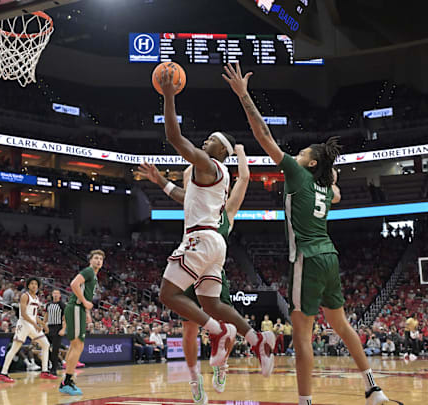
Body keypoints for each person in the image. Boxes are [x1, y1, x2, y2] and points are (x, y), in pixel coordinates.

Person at [223, 61, 390, 405]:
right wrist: (330, 174)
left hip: (307, 258)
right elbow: (336, 190)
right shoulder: (326, 189)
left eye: (301, 154)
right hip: (330, 256)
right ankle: (373, 388)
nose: (295, 155)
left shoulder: (298, 176)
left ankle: (305, 402)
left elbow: (263, 136)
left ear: (311, 164)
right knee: (342, 327)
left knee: (302, 336)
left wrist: (243, 95)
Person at [156, 69, 275, 388]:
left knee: (167, 293)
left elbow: (174, 138)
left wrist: (169, 97)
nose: (204, 141)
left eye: (209, 141)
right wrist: (161, 183)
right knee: (211, 303)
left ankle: (220, 331)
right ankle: (256, 338)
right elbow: (187, 198)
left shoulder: (206, 164)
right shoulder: (216, 174)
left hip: (199, 239)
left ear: (220, 150)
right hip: (214, 244)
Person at [137, 140, 252, 403]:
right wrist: (160, 180)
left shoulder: (228, 210)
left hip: (212, 265)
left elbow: (243, 179)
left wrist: (240, 151)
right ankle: (193, 377)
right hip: (192, 255)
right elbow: (182, 193)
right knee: (189, 329)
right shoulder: (196, 203)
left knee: (226, 324)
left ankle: (221, 364)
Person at [60, 250, 104, 396]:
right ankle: (66, 381)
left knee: (75, 345)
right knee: (78, 345)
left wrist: (87, 314)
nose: (98, 261)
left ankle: (67, 379)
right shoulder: (89, 271)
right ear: (90, 260)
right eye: (96, 258)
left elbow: (85, 296)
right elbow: (74, 284)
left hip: (79, 309)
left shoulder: (94, 276)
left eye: (101, 259)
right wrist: (84, 302)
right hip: (76, 308)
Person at [0, 277, 55, 383]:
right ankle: (3, 373)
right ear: (28, 286)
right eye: (32, 284)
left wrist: (43, 324)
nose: (34, 286)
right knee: (15, 348)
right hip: (24, 325)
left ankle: (45, 371)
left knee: (45, 344)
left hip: (32, 325)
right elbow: (24, 314)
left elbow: (34, 315)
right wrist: (35, 324)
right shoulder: (25, 296)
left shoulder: (37, 298)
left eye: (36, 284)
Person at [45, 289, 66, 376]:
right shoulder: (48, 305)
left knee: (55, 349)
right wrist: (43, 326)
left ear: (60, 295)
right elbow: (46, 316)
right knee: (45, 346)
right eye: (54, 293)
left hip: (58, 327)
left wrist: (63, 329)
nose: (56, 295)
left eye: (57, 293)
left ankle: (54, 368)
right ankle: (49, 365)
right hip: (49, 327)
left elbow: (65, 319)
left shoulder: (62, 305)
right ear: (52, 294)